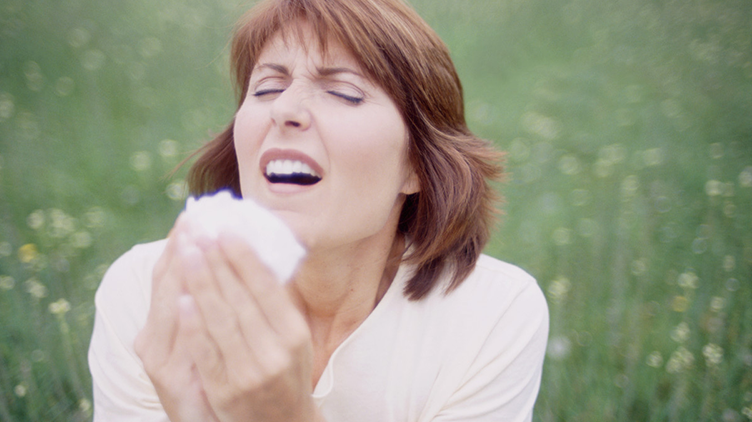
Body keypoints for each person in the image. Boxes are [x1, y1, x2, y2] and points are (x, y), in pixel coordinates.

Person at [87, 0, 549, 420]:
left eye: (344, 93)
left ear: (417, 167)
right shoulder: (145, 296)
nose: (285, 108)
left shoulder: (492, 315)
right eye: (267, 88)